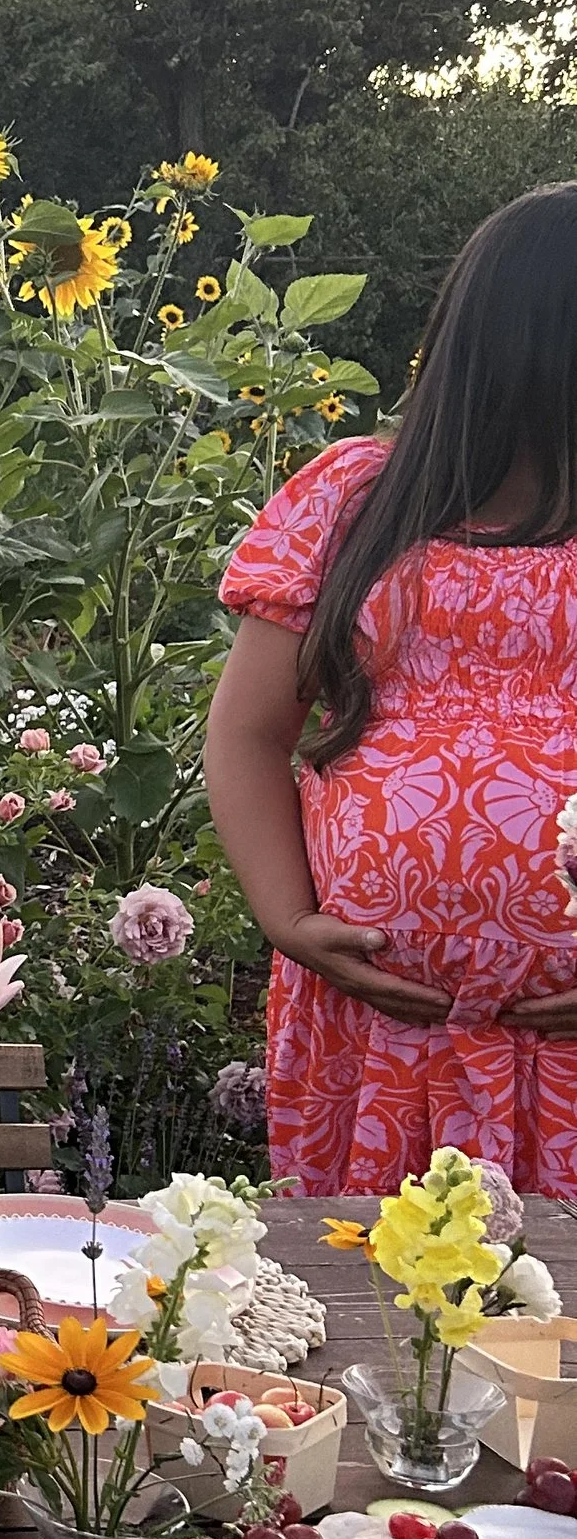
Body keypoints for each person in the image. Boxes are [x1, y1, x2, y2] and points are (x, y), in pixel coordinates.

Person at [205, 182, 577, 1199]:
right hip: (378, 1032)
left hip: (568, 1052)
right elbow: (244, 736)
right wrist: (285, 919)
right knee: (373, 1311)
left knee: (553, 1337)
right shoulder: (356, 500)